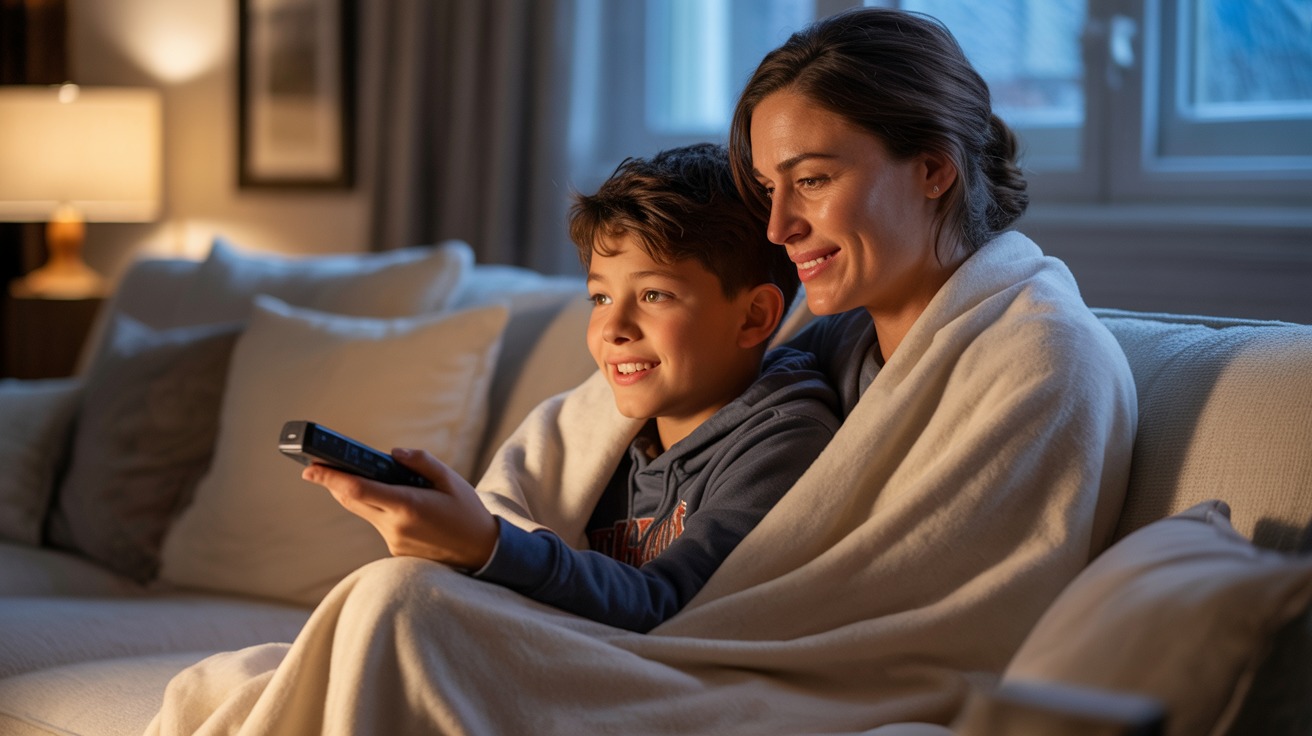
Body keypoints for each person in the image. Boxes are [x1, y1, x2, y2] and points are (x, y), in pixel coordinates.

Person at [148, 8, 1137, 735]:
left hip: (805, 685)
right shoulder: (837, 343)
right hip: (665, 642)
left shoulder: (1038, 359)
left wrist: (488, 550)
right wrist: (485, 534)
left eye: (813, 181)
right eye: (767, 189)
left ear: (933, 166)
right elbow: (599, 435)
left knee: (404, 608)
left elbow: (892, 616)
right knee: (389, 603)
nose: (778, 228)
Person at [305, 142, 840, 633]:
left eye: (654, 295)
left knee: (393, 597)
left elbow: (678, 608)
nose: (613, 328)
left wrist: (487, 545)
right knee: (393, 594)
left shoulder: (782, 442)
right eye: (600, 298)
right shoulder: (601, 432)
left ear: (754, 317)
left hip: (666, 679)